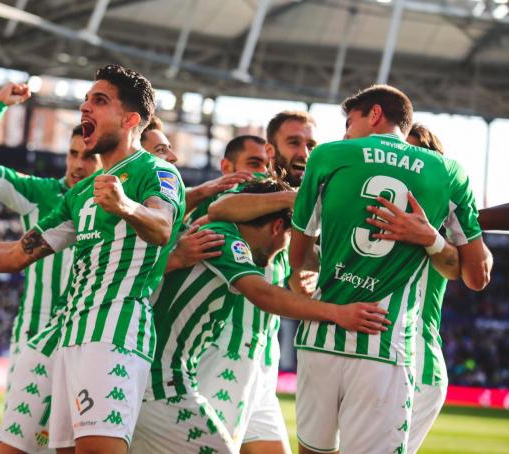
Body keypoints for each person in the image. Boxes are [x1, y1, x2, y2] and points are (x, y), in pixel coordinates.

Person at [0, 64, 185, 454]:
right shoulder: (78, 193)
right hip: (64, 335)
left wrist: (126, 207)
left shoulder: (156, 171)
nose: (86, 108)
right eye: (86, 100)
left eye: (99, 101)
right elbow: (17, 254)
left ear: (131, 119)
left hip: (114, 329)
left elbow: (162, 225)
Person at [289, 85, 492, 454]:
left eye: (350, 123)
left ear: (375, 114)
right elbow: (477, 277)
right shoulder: (448, 173)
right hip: (386, 347)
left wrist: (336, 259)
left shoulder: (330, 155)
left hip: (320, 340)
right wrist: (432, 238)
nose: (346, 133)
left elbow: (297, 257)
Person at [129, 179, 390, 454]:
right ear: (278, 228)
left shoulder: (218, 230)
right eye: (289, 236)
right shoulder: (224, 238)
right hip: (160, 383)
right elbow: (264, 295)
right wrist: (339, 314)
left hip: (160, 377)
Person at [0, 81, 102, 453]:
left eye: (88, 156)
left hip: (86, 340)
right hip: (33, 334)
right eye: (73, 154)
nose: (78, 164)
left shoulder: (113, 204)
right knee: (21, 444)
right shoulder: (39, 194)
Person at [360, 123, 494, 454]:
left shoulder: (449, 226)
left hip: (416, 364)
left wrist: (441, 231)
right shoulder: (364, 213)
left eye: (413, 154)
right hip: (362, 357)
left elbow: (480, 274)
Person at [197, 110, 319, 454]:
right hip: (219, 355)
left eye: (311, 144)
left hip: (262, 361)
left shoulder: (303, 211)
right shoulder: (243, 197)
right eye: (293, 142)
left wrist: (300, 278)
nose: (304, 153)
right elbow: (218, 212)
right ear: (271, 149)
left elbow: (291, 278)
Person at [185, 135, 269, 224]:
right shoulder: (205, 196)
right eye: (254, 164)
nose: (265, 172)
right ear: (226, 167)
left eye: (269, 167)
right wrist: (200, 193)